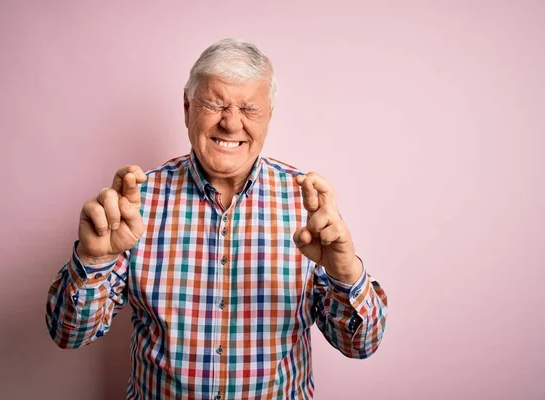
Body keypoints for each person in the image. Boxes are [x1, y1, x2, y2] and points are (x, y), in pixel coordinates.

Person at [46, 38, 388, 400]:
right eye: (215, 104)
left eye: (249, 108)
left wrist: (346, 272)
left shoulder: (308, 204)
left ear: (269, 117)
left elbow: (361, 345)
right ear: (187, 107)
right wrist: (93, 260)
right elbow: (68, 334)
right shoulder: (136, 203)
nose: (231, 123)